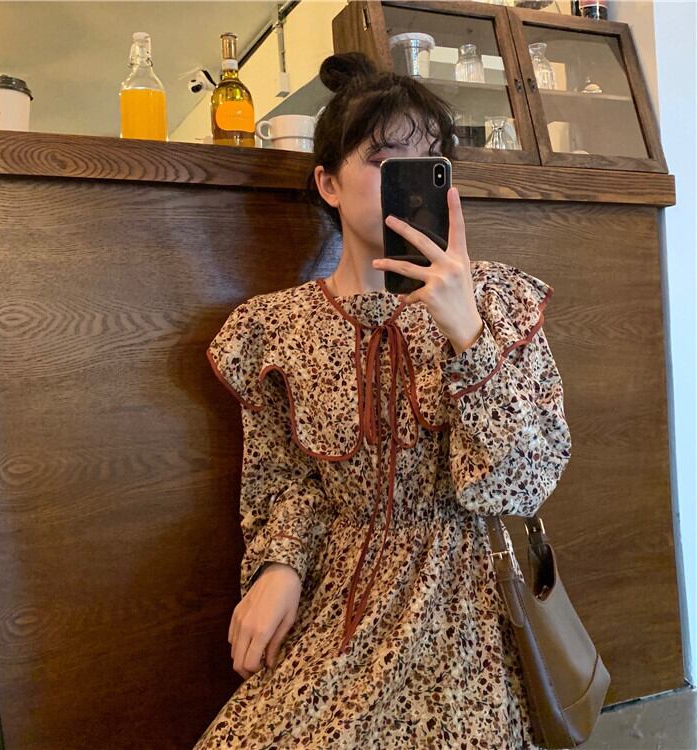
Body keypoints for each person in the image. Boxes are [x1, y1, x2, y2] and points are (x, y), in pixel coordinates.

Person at [195, 51, 572, 749]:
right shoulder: (277, 330)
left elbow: (524, 483)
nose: (410, 179)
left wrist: (465, 330)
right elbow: (287, 480)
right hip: (341, 601)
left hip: (469, 605)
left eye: (429, 161)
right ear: (328, 183)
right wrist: (280, 564)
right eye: (383, 161)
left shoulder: (498, 299)